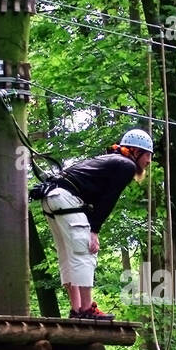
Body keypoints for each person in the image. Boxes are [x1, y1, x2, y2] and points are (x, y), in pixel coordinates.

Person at [38, 128, 153, 320]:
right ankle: (86, 309)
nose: (149, 160)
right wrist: (94, 231)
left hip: (51, 197)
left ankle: (77, 309)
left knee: (67, 253)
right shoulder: (126, 165)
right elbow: (108, 200)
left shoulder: (108, 161)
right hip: (66, 197)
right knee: (85, 250)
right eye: (147, 154)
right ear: (135, 151)